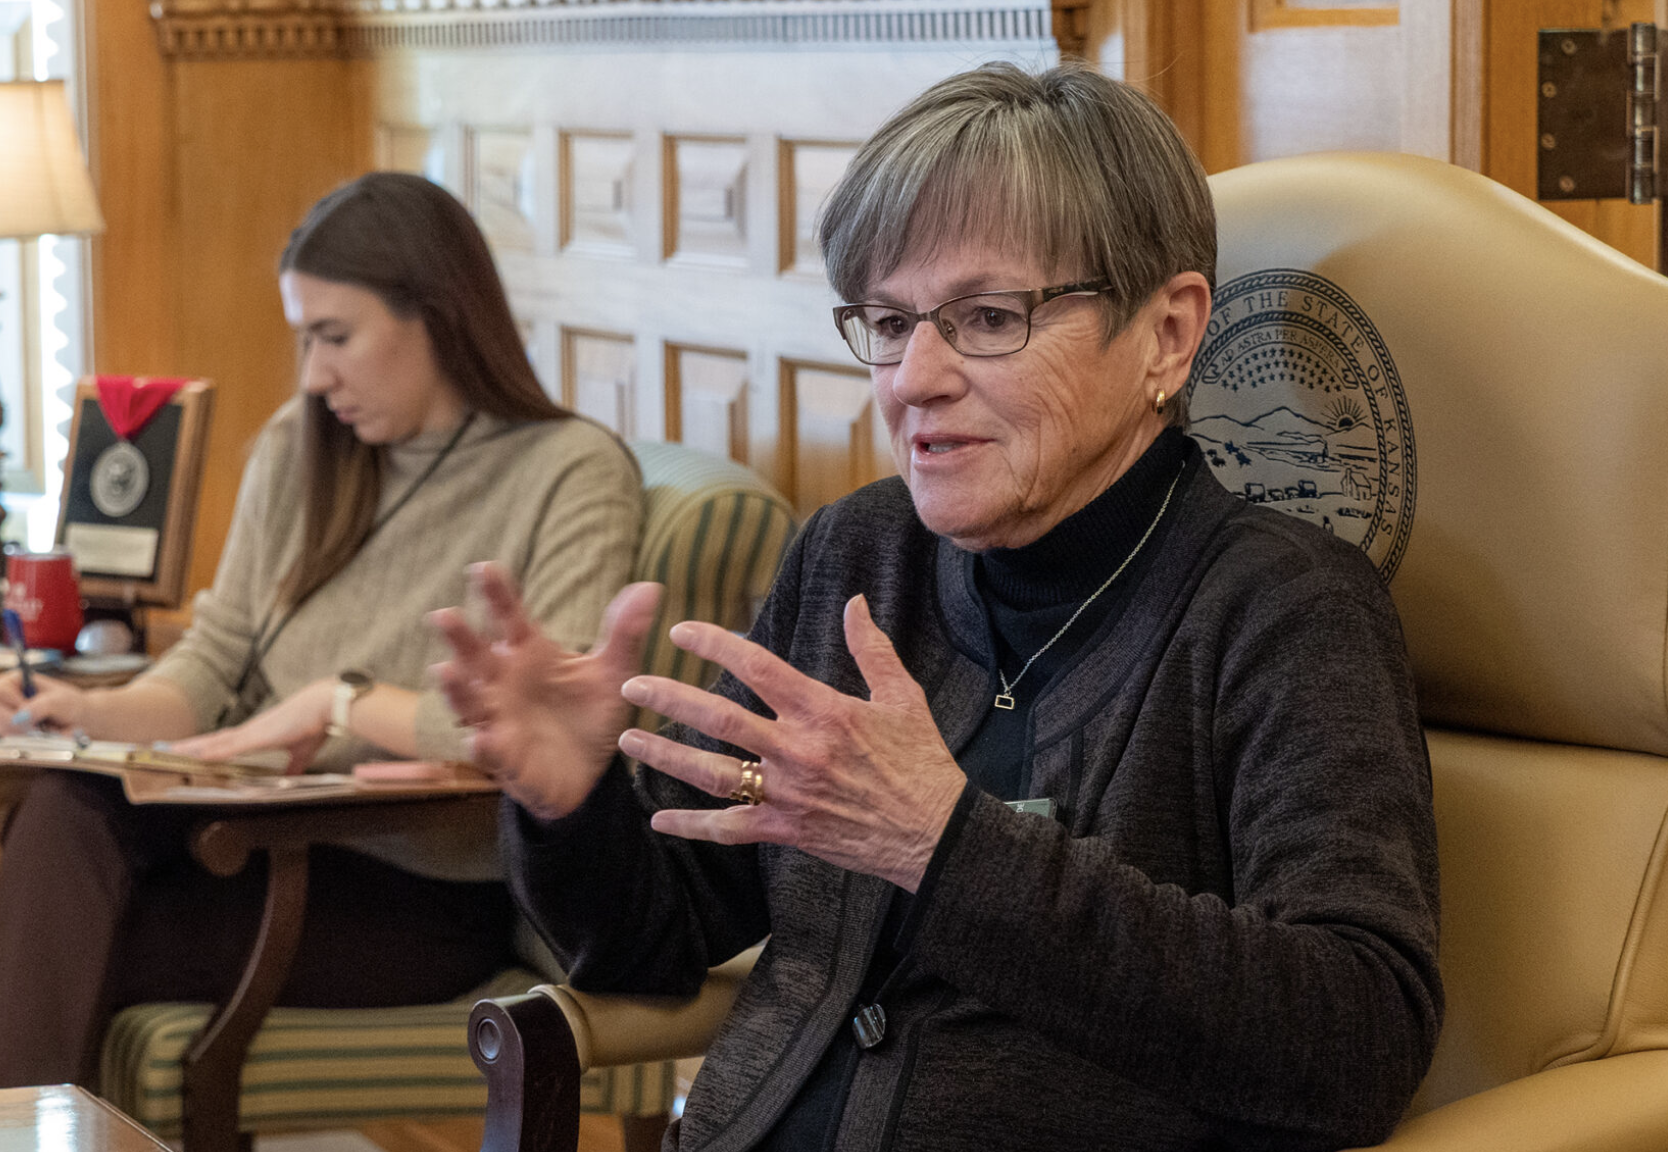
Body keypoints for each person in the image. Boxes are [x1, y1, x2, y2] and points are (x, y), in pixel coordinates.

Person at [436, 63, 1441, 1151]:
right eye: (889, 319)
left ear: (1168, 333)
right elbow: (657, 938)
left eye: (987, 318)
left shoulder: (1282, 612)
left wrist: (945, 846)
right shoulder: (860, 557)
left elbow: (1358, 1038)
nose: (914, 376)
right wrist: (573, 805)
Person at [0, 172, 642, 1087]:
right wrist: (81, 714)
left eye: (334, 337)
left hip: (412, 893)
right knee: (63, 813)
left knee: (32, 937)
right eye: (305, 340)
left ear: (435, 312)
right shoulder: (298, 447)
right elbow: (215, 659)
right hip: (238, 844)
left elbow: (544, 731)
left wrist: (339, 702)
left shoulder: (570, 473)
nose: (313, 375)